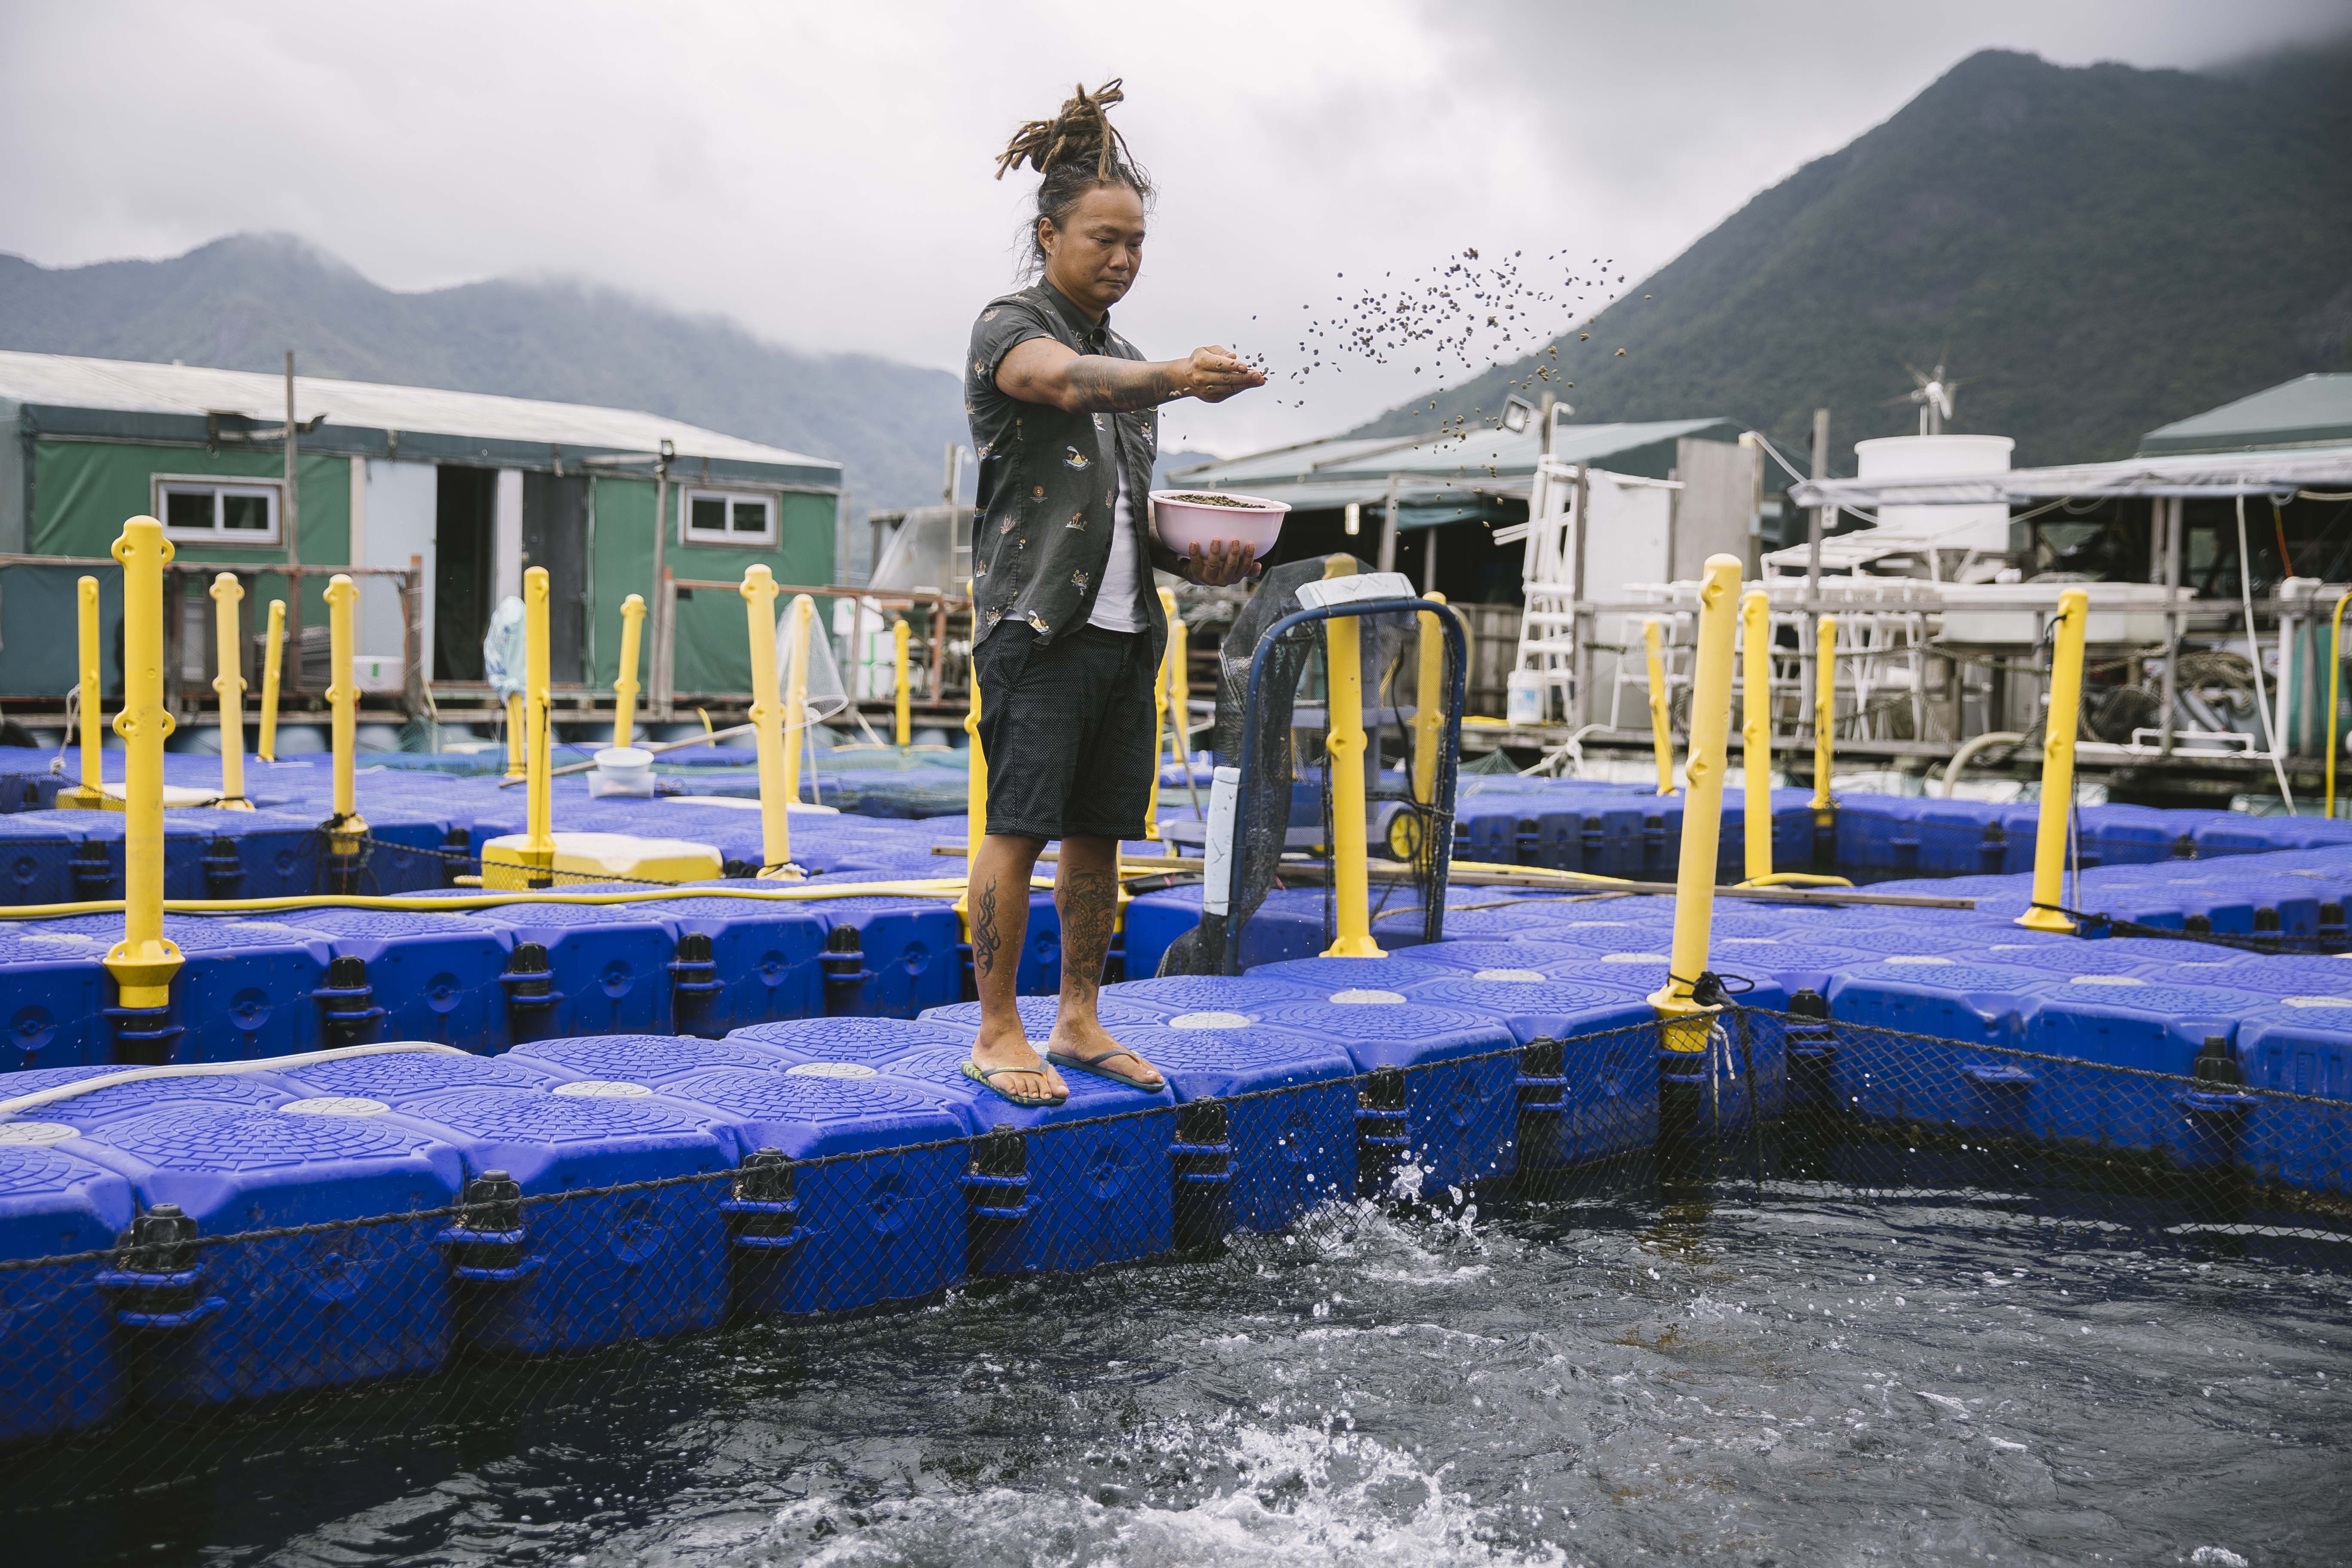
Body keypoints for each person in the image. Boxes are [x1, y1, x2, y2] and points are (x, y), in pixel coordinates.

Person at [959, 80, 1265, 1105]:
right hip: (1037, 626)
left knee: (1099, 836)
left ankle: (1079, 1019)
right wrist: (1182, 374)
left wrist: (1206, 559)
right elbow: (1059, 382)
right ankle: (998, 1029)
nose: (1124, 258)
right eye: (1104, 238)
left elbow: (1130, 512)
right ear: (1050, 234)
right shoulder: (1013, 326)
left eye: (1136, 243)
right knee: (1020, 825)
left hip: (1127, 634)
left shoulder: (1134, 362)